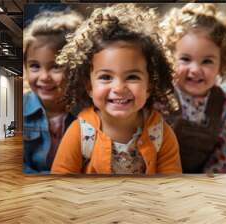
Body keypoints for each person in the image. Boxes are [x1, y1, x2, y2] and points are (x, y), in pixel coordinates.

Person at [51, 4, 182, 174]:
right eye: (106, 77)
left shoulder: (161, 134)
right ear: (89, 86)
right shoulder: (80, 133)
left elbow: (171, 184)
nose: (119, 88)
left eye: (132, 77)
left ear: (149, 85)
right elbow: (60, 184)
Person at [160, 3, 226, 173]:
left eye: (207, 61)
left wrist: (208, 180)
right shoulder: (163, 97)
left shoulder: (221, 101)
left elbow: (223, 148)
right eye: (185, 59)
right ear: (169, 59)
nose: (195, 70)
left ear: (221, 64)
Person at [23, 10, 83, 173]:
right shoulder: (20, 109)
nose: (44, 77)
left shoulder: (90, 113)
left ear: (75, 68)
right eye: (35, 66)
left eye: (56, 66)